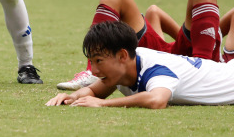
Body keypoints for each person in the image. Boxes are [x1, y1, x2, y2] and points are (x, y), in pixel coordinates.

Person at [56, 0, 222, 91]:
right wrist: (188, 34)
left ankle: (204, 70)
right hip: (168, 54)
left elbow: (154, 11)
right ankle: (91, 74)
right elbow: (154, 12)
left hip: (199, 61)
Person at [46, 20, 234, 109]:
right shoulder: (122, 70)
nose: (94, 70)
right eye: (92, 62)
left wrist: (104, 104)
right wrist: (70, 97)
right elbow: (94, 91)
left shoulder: (155, 68)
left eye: (99, 61)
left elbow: (157, 100)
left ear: (121, 55)